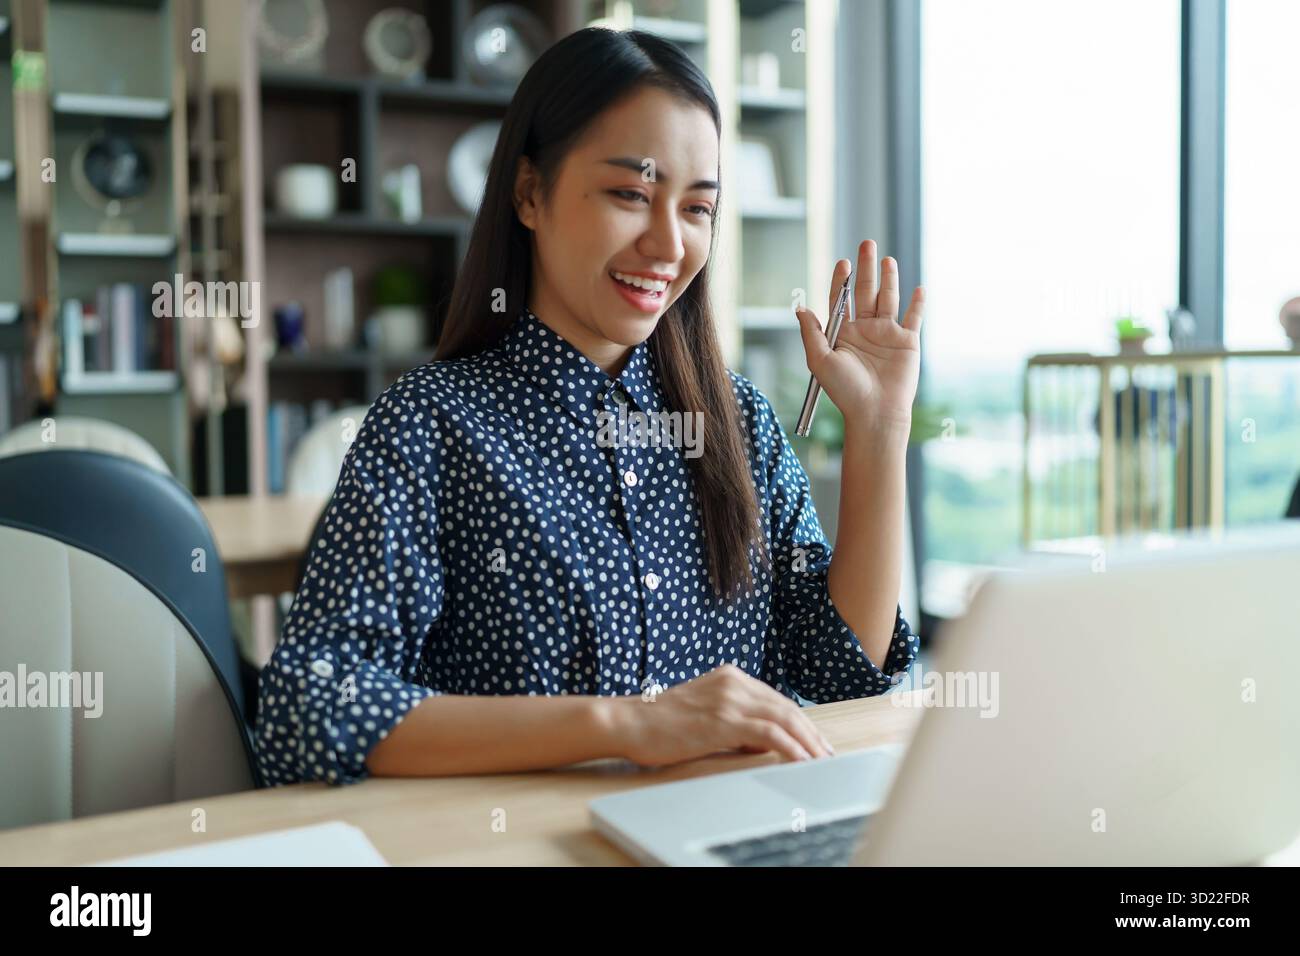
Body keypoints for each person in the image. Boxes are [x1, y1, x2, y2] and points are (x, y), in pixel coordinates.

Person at [255, 27, 925, 786]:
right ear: (530, 193)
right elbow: (306, 707)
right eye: (631, 195)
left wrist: (877, 432)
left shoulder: (738, 424)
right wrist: (627, 725)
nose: (669, 244)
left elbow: (841, 673)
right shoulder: (432, 424)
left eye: (698, 209)